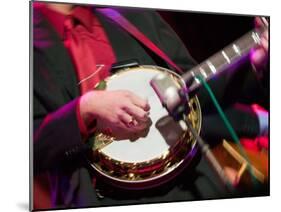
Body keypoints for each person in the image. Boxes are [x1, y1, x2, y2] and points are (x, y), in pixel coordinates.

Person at [32, 1, 269, 210]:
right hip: (104, 199)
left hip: (194, 182)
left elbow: (196, 92)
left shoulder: (130, 14)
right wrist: (84, 109)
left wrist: (253, 64)